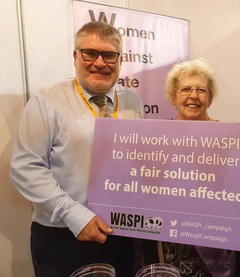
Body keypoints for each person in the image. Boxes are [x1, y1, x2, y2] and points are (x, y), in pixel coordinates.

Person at [10, 21, 145, 277]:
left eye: (109, 55)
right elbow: (25, 168)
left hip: (120, 234)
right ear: (75, 56)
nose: (99, 62)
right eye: (90, 53)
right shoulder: (47, 100)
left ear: (120, 60)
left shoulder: (133, 102)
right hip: (63, 235)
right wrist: (75, 216)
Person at [141, 58, 240, 277]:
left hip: (216, 243)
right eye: (185, 89)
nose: (193, 96)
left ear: (210, 98)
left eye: (201, 90)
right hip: (169, 242)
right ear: (172, 96)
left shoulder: (230, 139)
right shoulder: (154, 139)